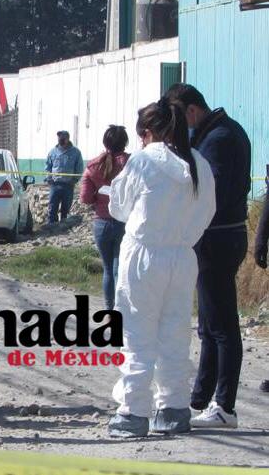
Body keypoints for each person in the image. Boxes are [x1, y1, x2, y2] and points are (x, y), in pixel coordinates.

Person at [106, 99, 215, 438]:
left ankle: (133, 412)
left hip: (144, 254)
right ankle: (173, 408)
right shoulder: (197, 163)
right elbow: (207, 211)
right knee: (175, 332)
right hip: (183, 256)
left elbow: (119, 207)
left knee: (137, 334)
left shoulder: (142, 161)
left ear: (149, 132)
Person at [165, 83, 251, 428]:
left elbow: (209, 195)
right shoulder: (220, 132)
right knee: (210, 325)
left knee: (222, 327)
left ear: (190, 111)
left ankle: (224, 406)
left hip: (218, 238)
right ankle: (202, 397)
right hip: (218, 238)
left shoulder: (218, 139)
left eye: (176, 119)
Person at [80, 125, 130, 310]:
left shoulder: (93, 166)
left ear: (105, 142)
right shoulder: (132, 163)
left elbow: (84, 198)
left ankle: (109, 310)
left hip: (101, 222)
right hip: (125, 222)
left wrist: (97, 199)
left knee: (108, 270)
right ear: (125, 142)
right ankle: (121, 309)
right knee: (120, 269)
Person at [44, 130, 83, 224]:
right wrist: (49, 178)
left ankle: (63, 226)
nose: (60, 140)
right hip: (55, 184)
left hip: (68, 185)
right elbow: (48, 167)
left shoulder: (75, 152)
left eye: (62, 138)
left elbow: (79, 168)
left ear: (67, 139)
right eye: (59, 138)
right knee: (52, 207)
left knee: (66, 208)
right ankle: (52, 226)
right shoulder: (52, 152)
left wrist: (74, 180)